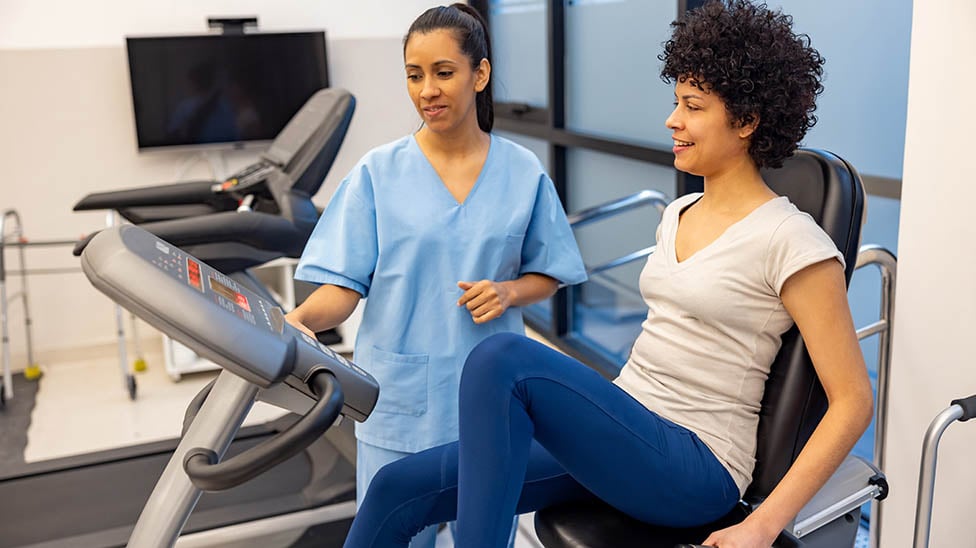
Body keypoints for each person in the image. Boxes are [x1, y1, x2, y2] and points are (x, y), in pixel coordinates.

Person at [342, 1, 874, 547]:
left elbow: (854, 400)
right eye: (676, 103)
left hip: (696, 465)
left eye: (692, 107)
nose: (672, 120)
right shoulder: (678, 214)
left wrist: (759, 527)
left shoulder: (792, 240)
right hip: (628, 432)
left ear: (746, 120)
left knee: (503, 358)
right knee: (394, 488)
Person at [285, 4, 587, 547]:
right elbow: (343, 285)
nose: (428, 89)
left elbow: (551, 272)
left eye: (443, 72)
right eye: (414, 74)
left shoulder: (521, 171)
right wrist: (301, 319)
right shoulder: (378, 172)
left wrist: (509, 291)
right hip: (399, 406)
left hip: (493, 408)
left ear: (481, 74)